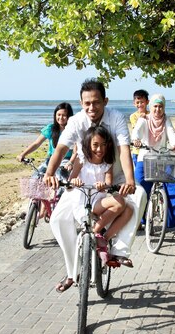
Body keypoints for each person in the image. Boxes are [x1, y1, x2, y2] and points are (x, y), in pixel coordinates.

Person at [43, 78, 145, 293]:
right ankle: (72, 273)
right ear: (81, 103)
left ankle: (118, 250)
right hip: (84, 182)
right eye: (87, 103)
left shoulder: (116, 117)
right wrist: (49, 173)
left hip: (113, 179)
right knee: (58, 219)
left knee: (139, 196)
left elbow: (124, 149)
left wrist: (130, 180)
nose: (92, 108)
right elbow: (61, 148)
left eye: (96, 102)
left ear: (105, 101)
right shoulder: (76, 121)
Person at [67, 126, 133, 268]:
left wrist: (104, 185)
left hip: (99, 201)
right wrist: (75, 181)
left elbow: (109, 181)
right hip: (85, 203)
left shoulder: (107, 163)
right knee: (119, 202)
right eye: (95, 145)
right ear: (88, 145)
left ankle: (103, 238)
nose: (99, 149)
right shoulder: (81, 160)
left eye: (103, 145)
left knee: (129, 210)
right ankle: (96, 232)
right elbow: (71, 180)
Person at [131, 93, 175, 232]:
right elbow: (136, 133)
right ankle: (138, 220)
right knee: (139, 189)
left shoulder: (166, 120)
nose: (157, 109)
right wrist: (136, 140)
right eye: (155, 106)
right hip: (145, 159)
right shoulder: (144, 119)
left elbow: (172, 134)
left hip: (162, 159)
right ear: (151, 106)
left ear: (164, 108)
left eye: (160, 106)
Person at [17, 102, 76, 182]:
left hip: (66, 160)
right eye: (58, 115)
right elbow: (36, 143)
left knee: (60, 178)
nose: (61, 117)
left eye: (64, 115)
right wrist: (22, 154)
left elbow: (76, 150)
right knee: (35, 178)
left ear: (69, 116)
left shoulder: (73, 130)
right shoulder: (50, 128)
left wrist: (71, 162)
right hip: (50, 159)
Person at [129, 89, 150, 166]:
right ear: (134, 103)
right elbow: (136, 129)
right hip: (137, 150)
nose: (140, 104)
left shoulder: (150, 114)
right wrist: (141, 119)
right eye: (137, 102)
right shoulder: (133, 116)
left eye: (142, 102)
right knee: (139, 172)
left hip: (148, 149)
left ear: (147, 102)